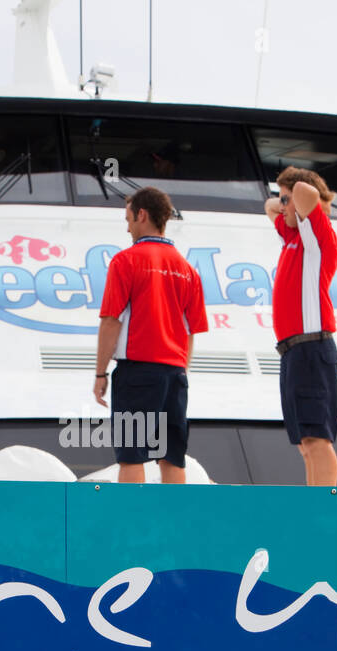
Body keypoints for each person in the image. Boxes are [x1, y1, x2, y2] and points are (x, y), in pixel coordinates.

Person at [93, 187, 208, 484]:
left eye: (128, 217)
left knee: (131, 456)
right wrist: (181, 370)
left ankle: (132, 527)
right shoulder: (188, 270)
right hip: (175, 373)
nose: (127, 225)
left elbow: (110, 321)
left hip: (138, 372)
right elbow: (190, 331)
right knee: (171, 457)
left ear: (141, 215)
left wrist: (100, 373)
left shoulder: (125, 260)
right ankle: (175, 525)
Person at [264, 166, 337, 486]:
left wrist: (297, 191)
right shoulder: (292, 233)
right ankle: (313, 503)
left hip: (311, 344)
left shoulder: (317, 234)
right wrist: (286, 203)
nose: (281, 205)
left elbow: (307, 193)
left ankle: (323, 504)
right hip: (292, 349)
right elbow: (269, 207)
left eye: (287, 198)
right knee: (303, 442)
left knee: (316, 436)